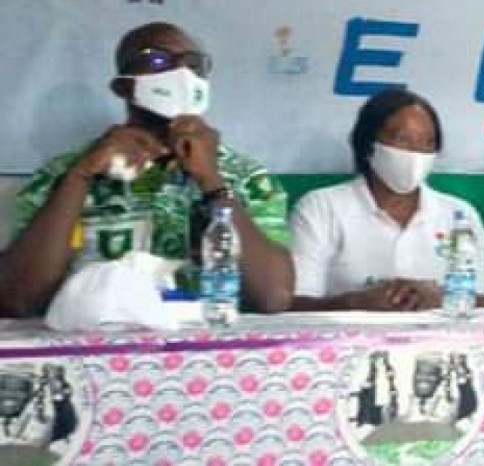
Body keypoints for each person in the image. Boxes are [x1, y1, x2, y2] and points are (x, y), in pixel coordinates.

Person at [0, 22, 293, 317]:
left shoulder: (246, 177)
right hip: (95, 341)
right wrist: (79, 176)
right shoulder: (64, 173)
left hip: (207, 342)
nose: (182, 74)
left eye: (194, 64)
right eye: (157, 61)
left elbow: (273, 297)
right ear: (123, 86)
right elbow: (17, 299)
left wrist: (211, 181)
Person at [289, 89, 484, 311]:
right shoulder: (320, 208)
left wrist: (441, 298)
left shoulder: (460, 215)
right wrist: (357, 302)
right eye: (403, 139)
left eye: (428, 142)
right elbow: (293, 304)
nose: (416, 153)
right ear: (368, 144)